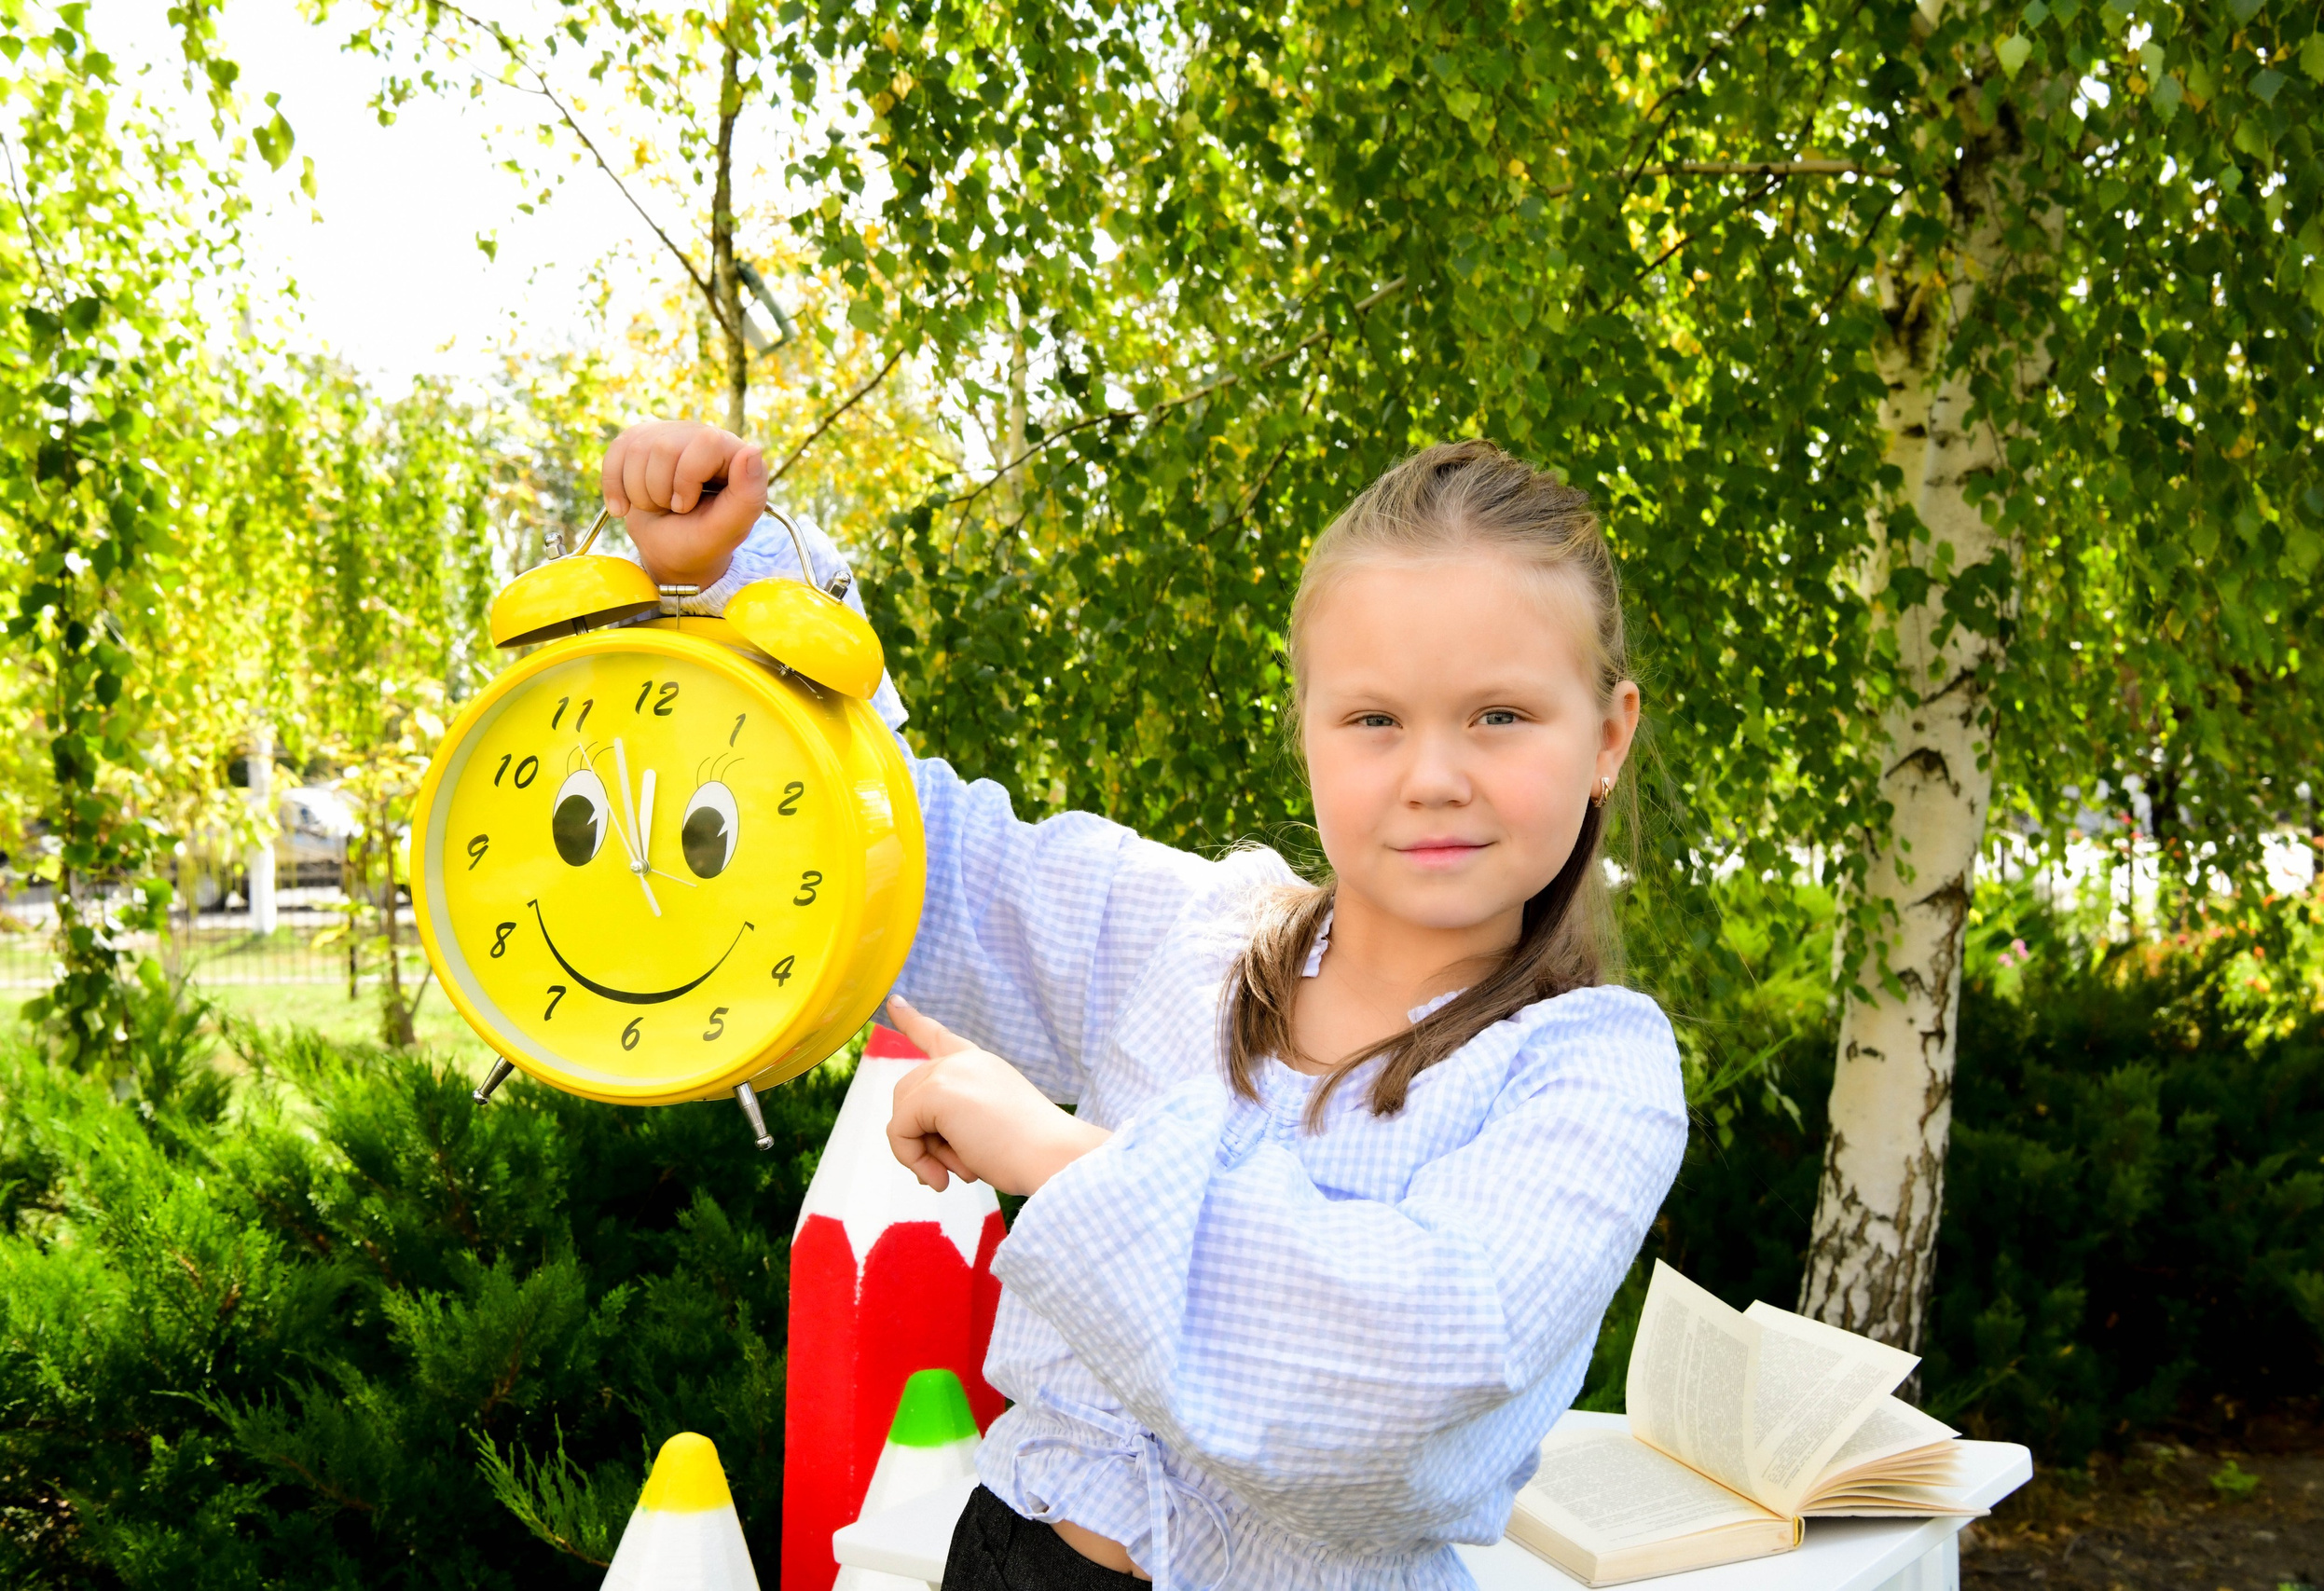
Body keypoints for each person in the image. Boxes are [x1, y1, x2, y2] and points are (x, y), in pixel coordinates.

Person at [603, 422, 1688, 1591]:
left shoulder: (1593, 1072)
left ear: (1606, 737)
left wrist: (1070, 1164)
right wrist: (729, 574)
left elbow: (1406, 1387)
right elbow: (898, 854)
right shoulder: (1188, 936)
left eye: (1501, 717)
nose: (1434, 775)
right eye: (1374, 719)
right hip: (1012, 1559)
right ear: (1307, 731)